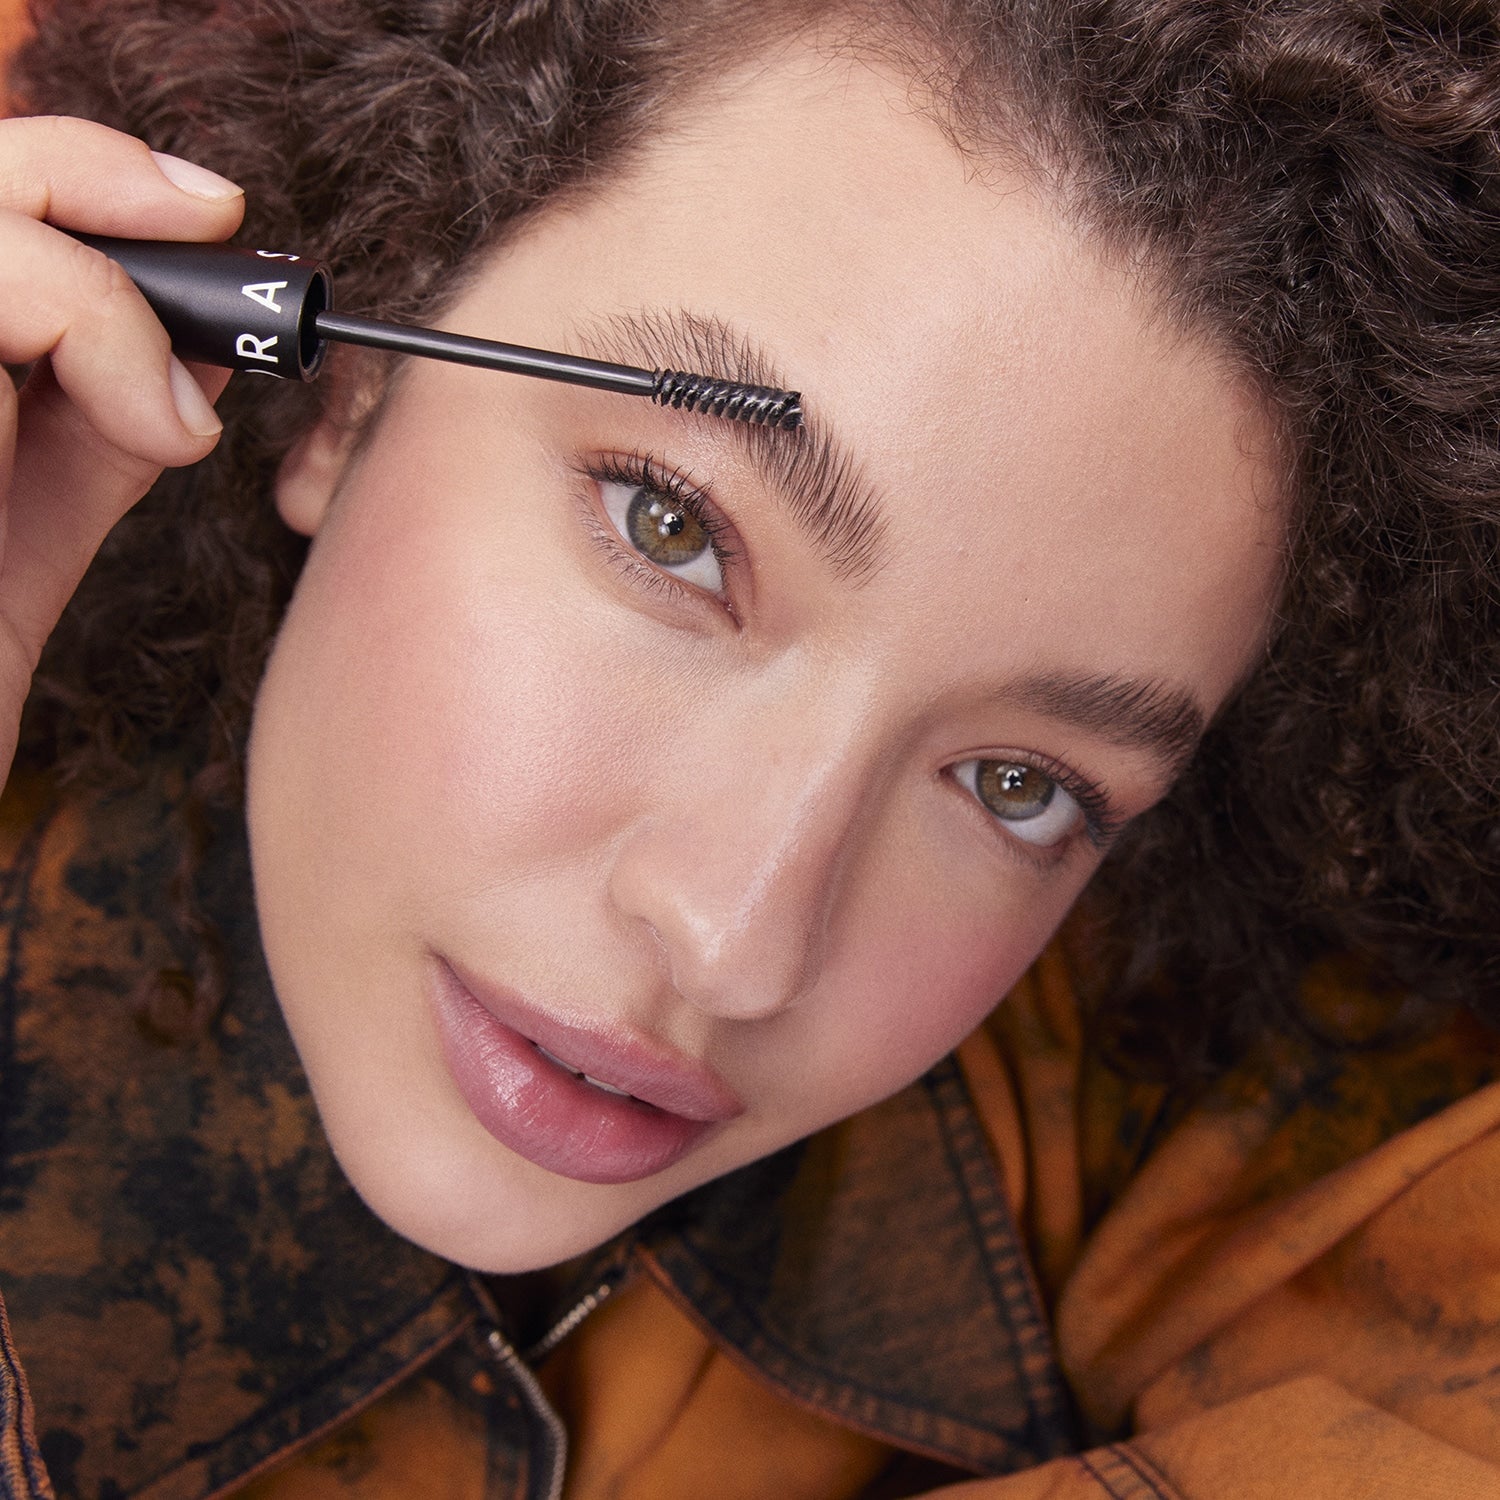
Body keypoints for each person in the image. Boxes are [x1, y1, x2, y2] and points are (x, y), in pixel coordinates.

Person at [1, 0, 1498, 1495]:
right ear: (351, 395)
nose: (736, 946)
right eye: (672, 528)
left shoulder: (1205, 1119)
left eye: (1019, 786)